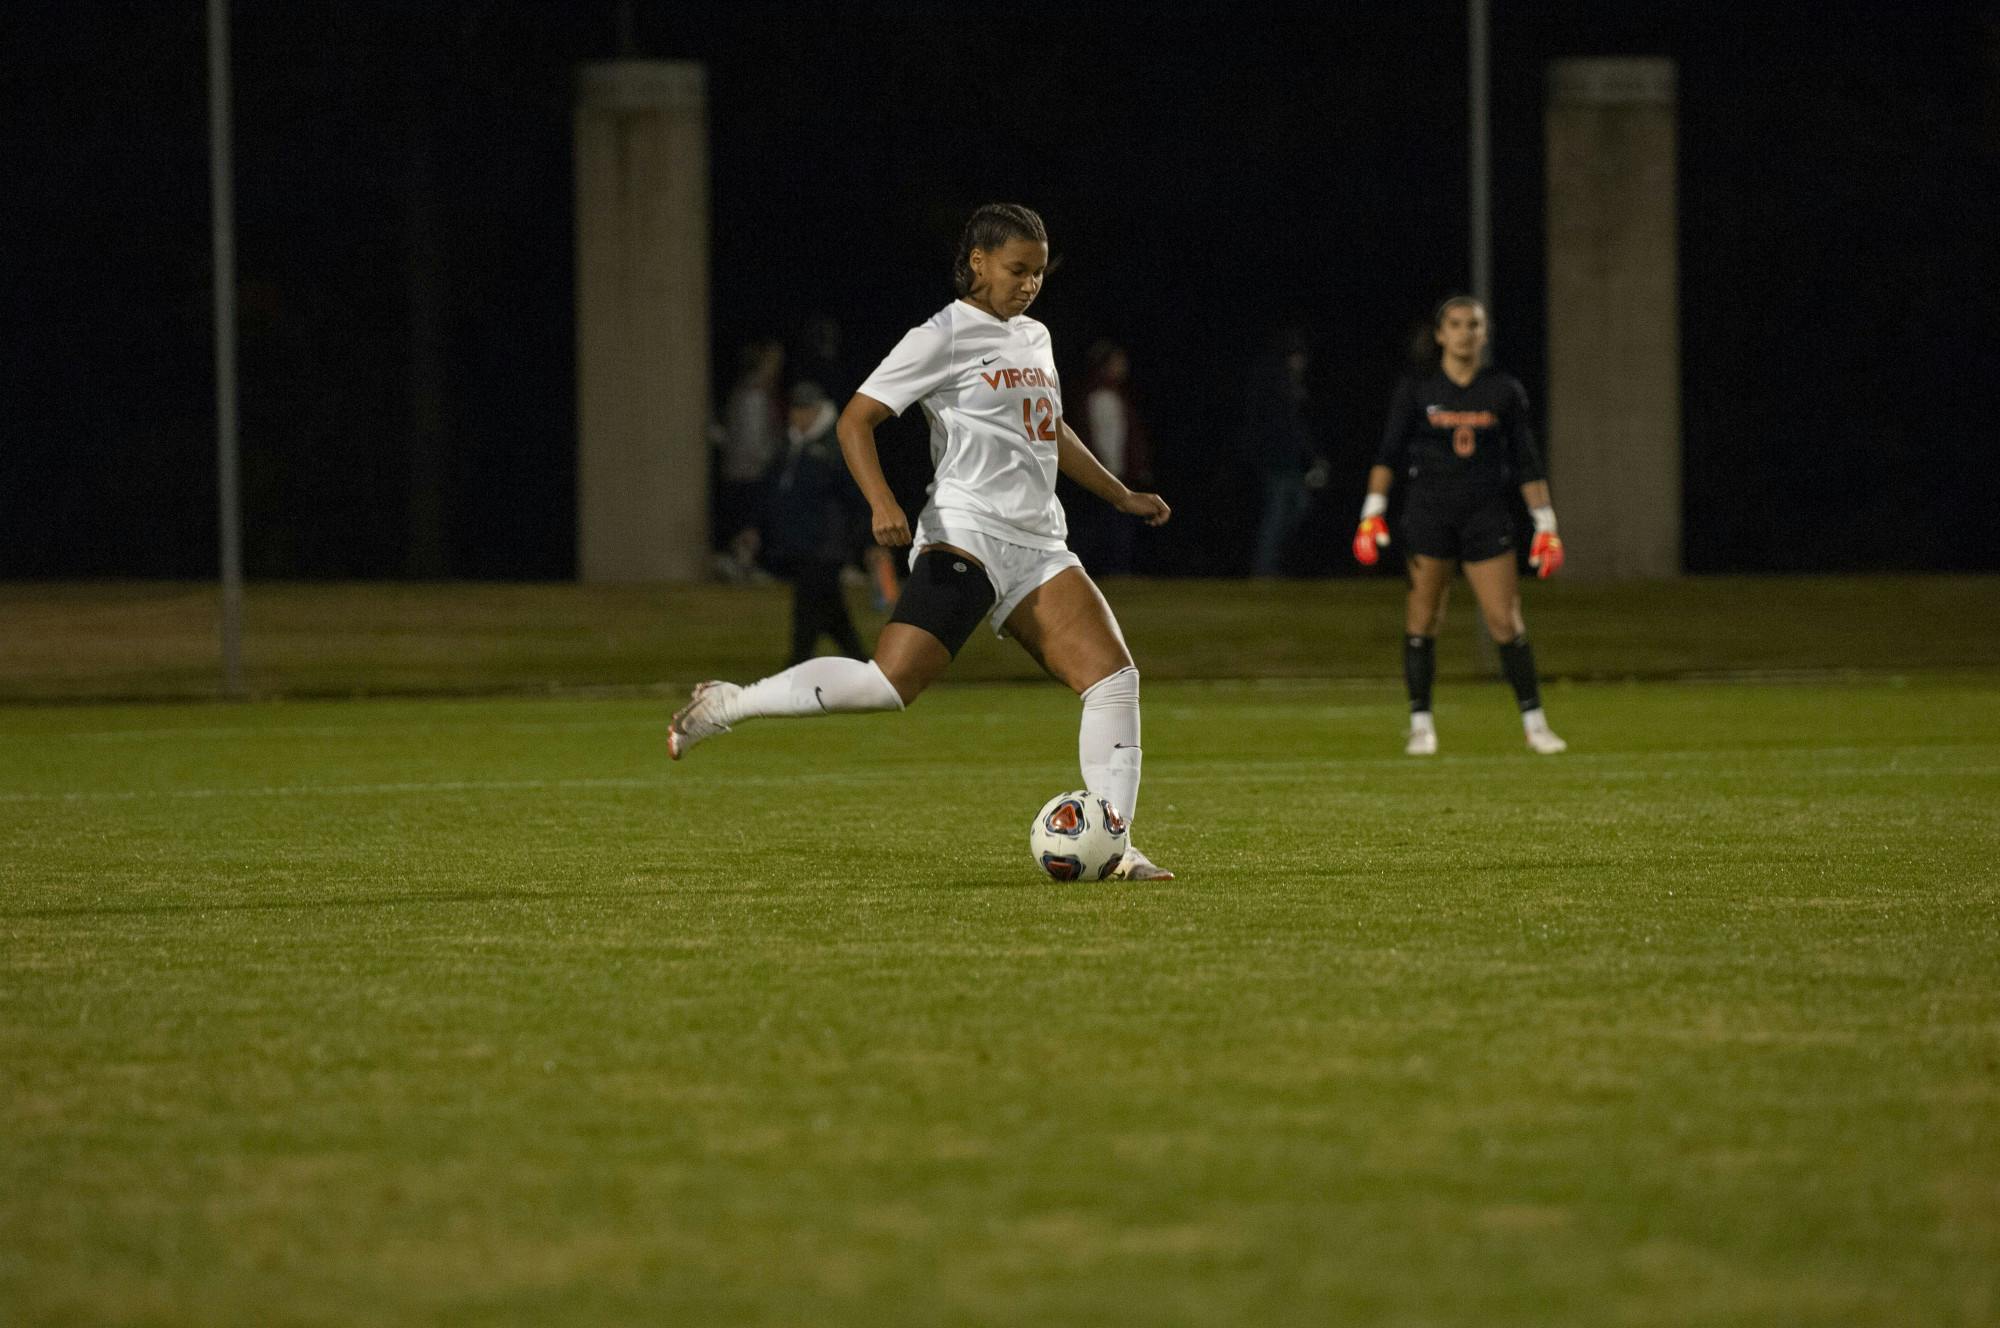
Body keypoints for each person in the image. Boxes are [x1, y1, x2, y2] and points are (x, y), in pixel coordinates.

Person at [670, 203, 1177, 880]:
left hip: (1039, 543)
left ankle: (1115, 846)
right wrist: (882, 502)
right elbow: (855, 420)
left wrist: (1119, 494)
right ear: (978, 262)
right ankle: (728, 702)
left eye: (1038, 272)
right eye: (1017, 269)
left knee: (1114, 681)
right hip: (967, 532)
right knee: (889, 684)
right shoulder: (941, 335)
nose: (1030, 284)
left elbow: (1049, 427)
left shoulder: (1035, 336)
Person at [1354, 295, 1568, 756]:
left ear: (1484, 333)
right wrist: (1371, 512)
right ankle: (1421, 725)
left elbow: (1527, 460)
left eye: (1473, 324)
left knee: (1505, 621)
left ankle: (1535, 724)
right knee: (1423, 621)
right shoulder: (1418, 388)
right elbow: (1388, 453)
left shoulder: (1503, 390)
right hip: (1429, 516)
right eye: (1455, 324)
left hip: (1485, 517)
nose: (1464, 333)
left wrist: (1546, 524)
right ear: (1440, 334)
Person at [765, 380, 869, 666]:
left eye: (803, 409)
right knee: (831, 613)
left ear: (816, 410)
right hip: (802, 544)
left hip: (825, 544)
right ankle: (862, 665)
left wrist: (858, 539)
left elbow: (854, 496)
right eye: (794, 409)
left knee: (808, 608)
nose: (796, 415)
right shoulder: (792, 444)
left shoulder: (835, 444)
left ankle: (797, 665)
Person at [1244, 329, 1330, 575]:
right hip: (1276, 462)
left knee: (1298, 507)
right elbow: (1286, 427)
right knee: (1276, 516)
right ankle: (1264, 570)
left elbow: (1300, 428)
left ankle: (1273, 563)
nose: (1301, 362)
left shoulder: (1292, 385)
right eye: (1296, 356)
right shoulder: (1277, 385)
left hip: (1290, 463)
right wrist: (1313, 456)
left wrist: (1312, 457)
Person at [1071, 340, 1154, 576]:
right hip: (1101, 475)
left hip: (1120, 475)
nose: (1122, 367)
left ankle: (1118, 573)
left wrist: (1137, 466)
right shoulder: (1093, 397)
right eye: (1116, 362)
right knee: (1095, 529)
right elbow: (1088, 438)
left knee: (1119, 530)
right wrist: (1100, 469)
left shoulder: (1118, 396)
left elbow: (1128, 438)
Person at [715, 339, 786, 581]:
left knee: (746, 521)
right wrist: (774, 461)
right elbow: (753, 439)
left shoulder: (745, 391)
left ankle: (742, 564)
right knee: (749, 522)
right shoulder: (754, 394)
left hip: (740, 468)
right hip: (751, 470)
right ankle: (742, 566)